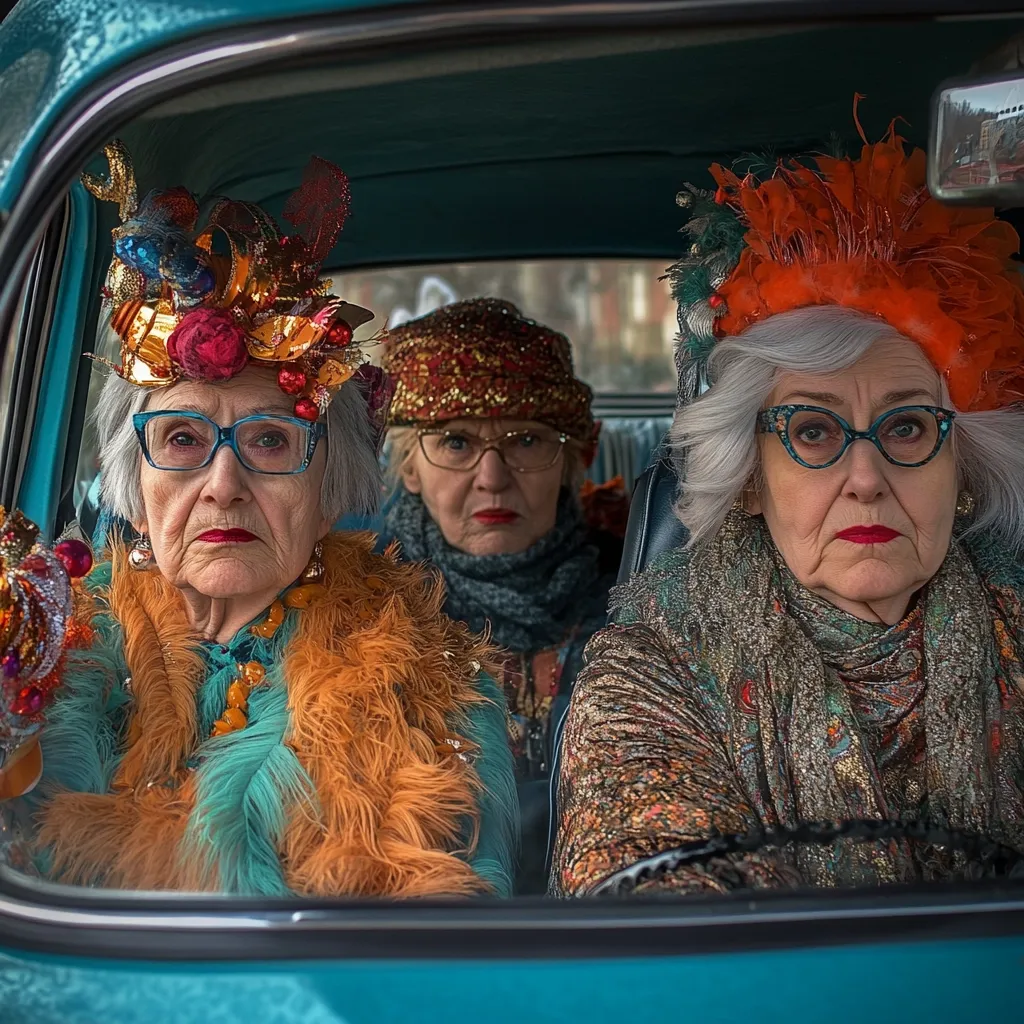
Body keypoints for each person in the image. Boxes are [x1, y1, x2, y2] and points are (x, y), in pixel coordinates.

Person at [0, 142, 516, 898]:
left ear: (329, 483)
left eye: (271, 440)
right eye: (182, 440)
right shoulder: (36, 653)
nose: (223, 485)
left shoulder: (443, 691)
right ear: (131, 479)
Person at [552, 119, 1024, 896]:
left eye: (907, 426)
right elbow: (662, 941)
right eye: (812, 431)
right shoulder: (651, 671)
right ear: (748, 479)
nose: (866, 477)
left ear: (962, 466)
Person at [382, 298, 626, 892]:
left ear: (571, 459)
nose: (493, 476)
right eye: (456, 443)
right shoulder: (361, 616)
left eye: (525, 441)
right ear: (411, 468)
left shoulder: (644, 603)